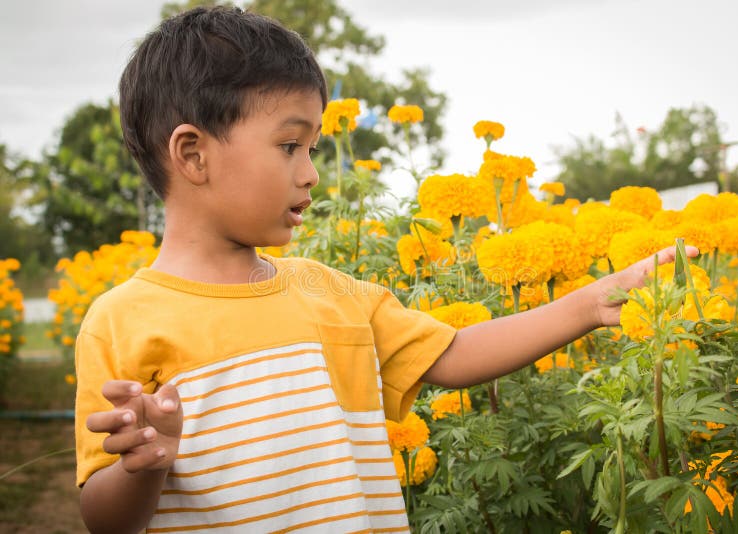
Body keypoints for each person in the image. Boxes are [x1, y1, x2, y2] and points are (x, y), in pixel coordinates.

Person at [75, 6, 696, 534]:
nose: (311, 172)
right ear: (193, 153)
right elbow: (104, 519)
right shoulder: (120, 322)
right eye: (290, 145)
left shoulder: (333, 294)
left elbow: (451, 354)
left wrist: (589, 305)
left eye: (314, 148)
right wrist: (147, 463)